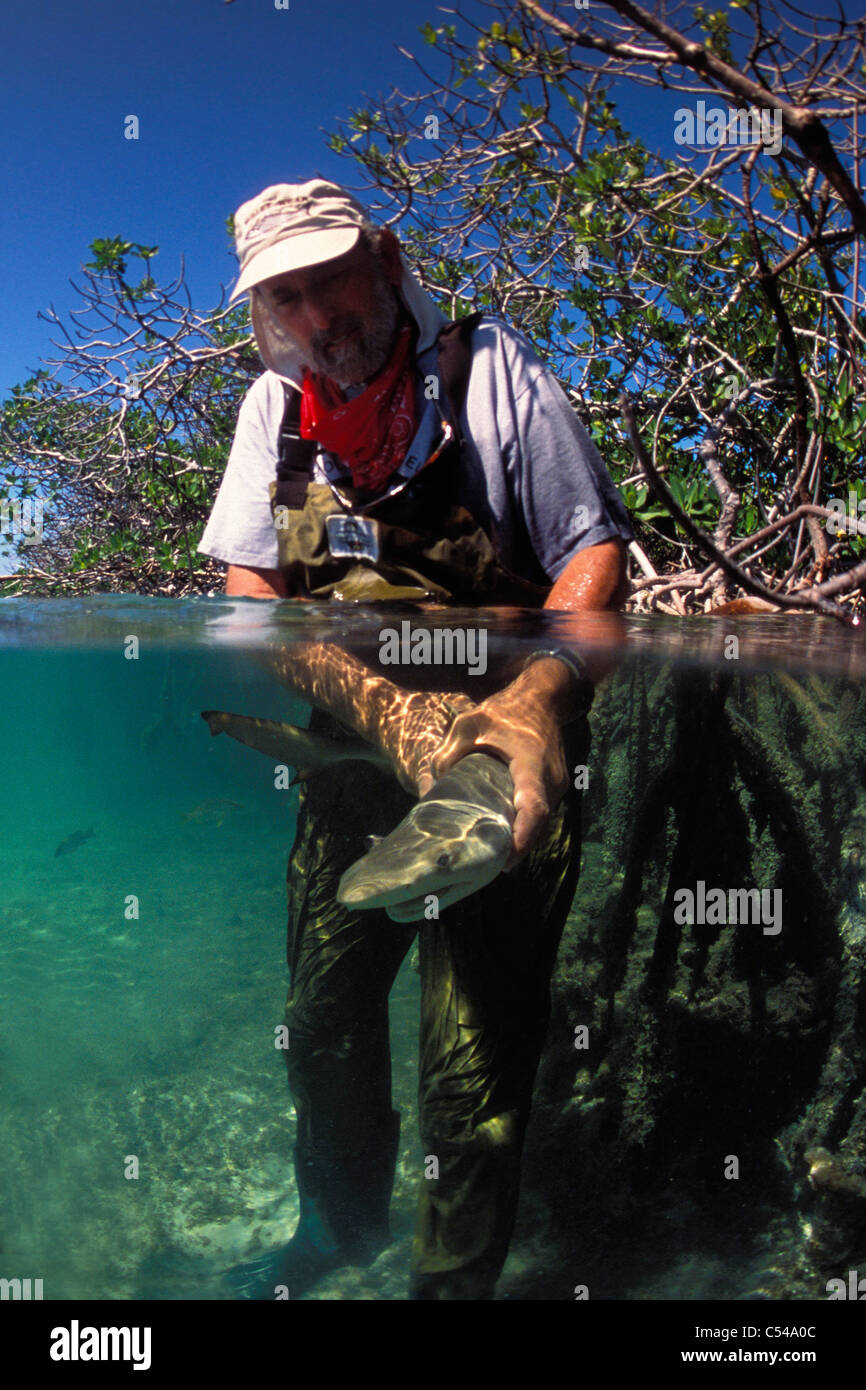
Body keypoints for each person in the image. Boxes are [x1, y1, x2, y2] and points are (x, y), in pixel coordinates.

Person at [198, 179, 633, 1299]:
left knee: (470, 1074)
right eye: (284, 296)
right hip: (352, 764)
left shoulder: (489, 372)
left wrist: (534, 704)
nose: (315, 314)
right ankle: (335, 1235)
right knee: (320, 1023)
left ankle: (450, 1287)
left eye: (330, 277)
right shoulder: (273, 411)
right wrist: (385, 714)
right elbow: (253, 602)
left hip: (494, 762)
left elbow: (592, 561)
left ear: (385, 260)